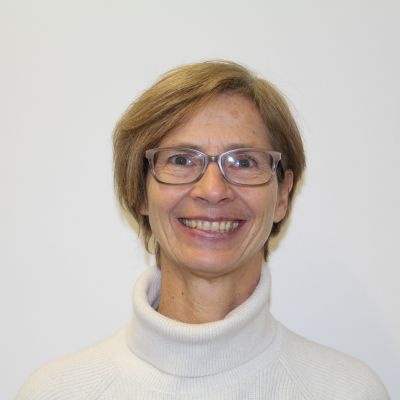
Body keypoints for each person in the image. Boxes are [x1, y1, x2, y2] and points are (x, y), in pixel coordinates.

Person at [16, 60, 389, 399]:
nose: (212, 190)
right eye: (182, 159)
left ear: (282, 196)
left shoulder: (348, 391)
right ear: (140, 191)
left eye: (243, 161)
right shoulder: (56, 392)